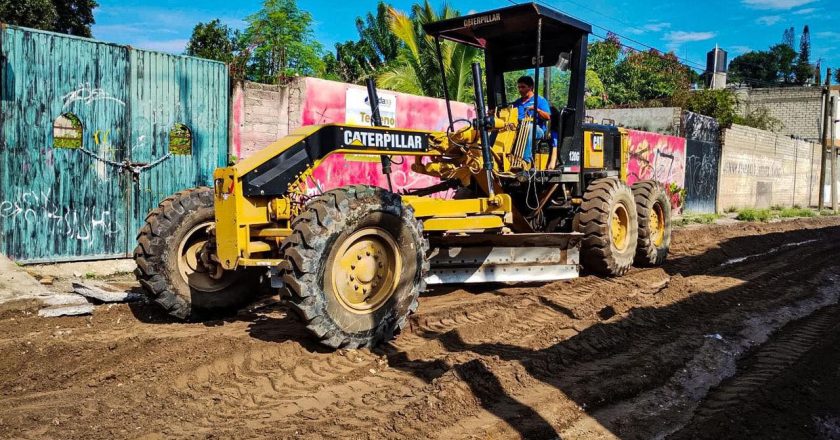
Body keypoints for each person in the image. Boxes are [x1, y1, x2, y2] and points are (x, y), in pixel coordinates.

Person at [511, 75, 550, 163]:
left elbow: (547, 117)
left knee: (528, 127)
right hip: (518, 128)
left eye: (523, 87)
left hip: (536, 129)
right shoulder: (517, 102)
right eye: (519, 87)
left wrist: (537, 109)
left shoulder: (540, 100)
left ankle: (526, 159)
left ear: (531, 87)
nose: (520, 89)